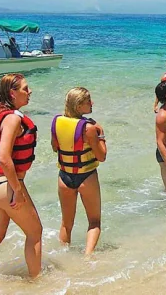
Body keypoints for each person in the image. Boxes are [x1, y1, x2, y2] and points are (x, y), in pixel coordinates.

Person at [0, 73, 42, 278]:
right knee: (35, 233)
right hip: (6, 187)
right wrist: (17, 190)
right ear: (12, 93)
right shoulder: (13, 119)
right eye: (25, 88)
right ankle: (37, 285)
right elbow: (5, 158)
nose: (29, 92)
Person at [52, 87, 107, 255]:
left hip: (64, 178)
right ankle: (88, 258)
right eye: (88, 101)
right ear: (78, 106)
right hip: (86, 177)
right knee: (94, 222)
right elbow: (102, 156)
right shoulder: (89, 128)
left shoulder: (56, 122)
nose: (92, 103)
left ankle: (63, 257)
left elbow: (55, 148)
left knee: (66, 224)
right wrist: (101, 134)